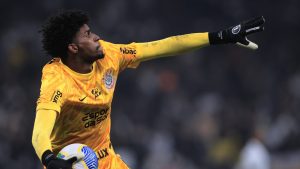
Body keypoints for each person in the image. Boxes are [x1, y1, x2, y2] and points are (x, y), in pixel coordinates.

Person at [31, 10, 265, 169]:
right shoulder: (57, 80)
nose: (97, 37)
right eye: (88, 35)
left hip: (106, 159)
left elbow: (162, 46)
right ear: (73, 47)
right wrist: (49, 158)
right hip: (67, 164)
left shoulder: (110, 56)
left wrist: (219, 36)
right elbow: (40, 130)